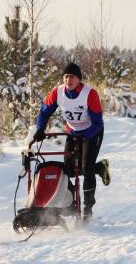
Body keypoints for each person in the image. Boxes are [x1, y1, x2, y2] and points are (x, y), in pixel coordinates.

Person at [32, 62, 110, 221]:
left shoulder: (90, 94)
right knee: (68, 169)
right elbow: (44, 112)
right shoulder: (57, 92)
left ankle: (88, 208)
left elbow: (98, 123)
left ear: (79, 79)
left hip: (92, 132)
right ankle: (99, 169)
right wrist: (40, 129)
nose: (69, 80)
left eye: (72, 76)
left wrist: (86, 135)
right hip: (73, 131)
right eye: (66, 76)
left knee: (86, 168)